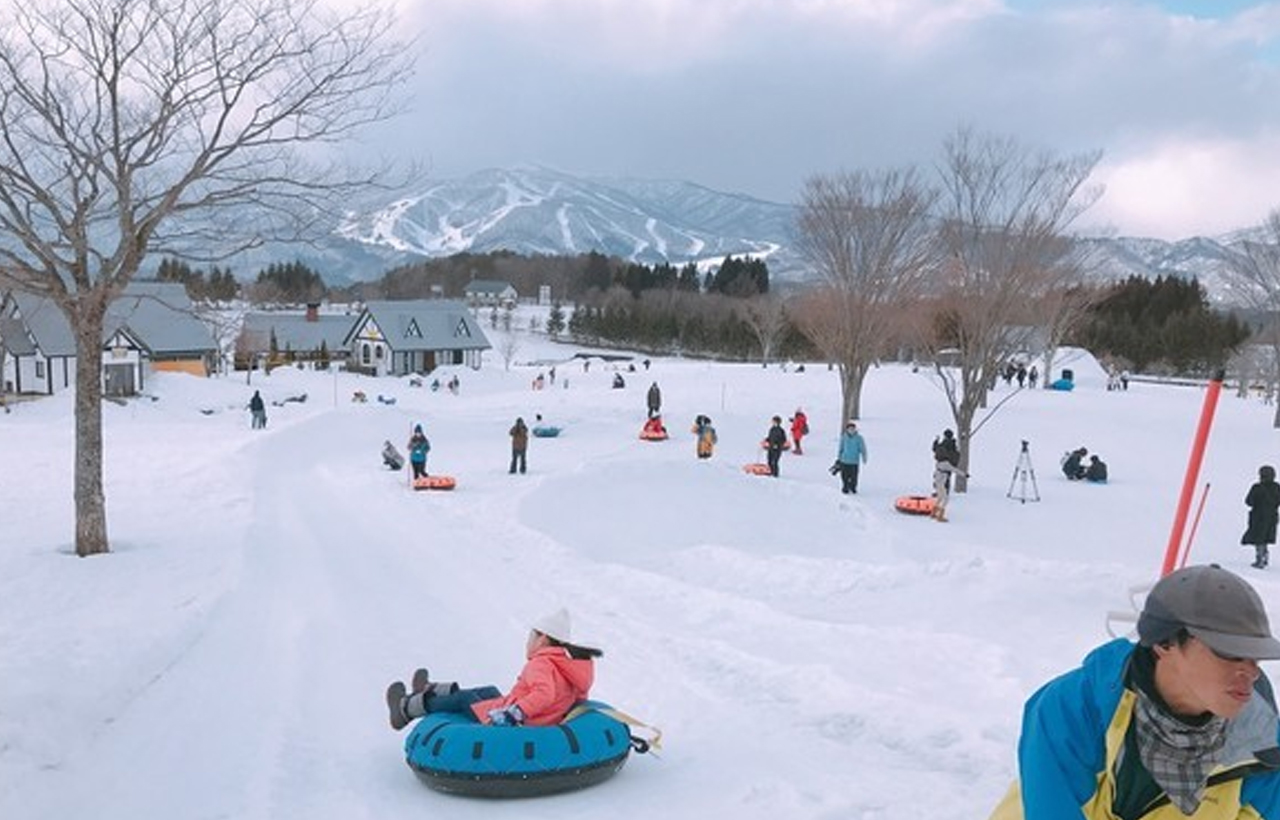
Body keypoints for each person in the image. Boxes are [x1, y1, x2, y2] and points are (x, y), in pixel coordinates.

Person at [988, 564, 1280, 820]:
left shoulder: (1263, 746)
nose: (1251, 672)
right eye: (1229, 653)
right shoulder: (1076, 708)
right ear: (1164, 644)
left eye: (1255, 656)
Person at [385, 609, 602, 731]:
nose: (527, 642)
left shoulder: (541, 663)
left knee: (466, 699)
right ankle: (430, 689)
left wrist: (515, 713)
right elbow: (576, 697)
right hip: (540, 717)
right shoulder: (567, 665)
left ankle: (406, 709)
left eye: (530, 637)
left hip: (519, 721)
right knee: (490, 690)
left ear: (543, 639)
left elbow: (544, 694)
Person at [1242, 465, 1280, 569]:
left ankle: (1260, 558)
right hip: (1272, 517)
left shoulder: (1257, 487)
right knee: (1265, 537)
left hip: (1258, 516)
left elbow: (1248, 501)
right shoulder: (1277, 487)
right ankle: (1265, 556)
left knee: (1259, 538)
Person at [835, 420, 868, 494]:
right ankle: (845, 486)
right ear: (847, 430)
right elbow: (841, 448)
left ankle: (853, 487)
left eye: (853, 429)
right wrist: (839, 458)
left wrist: (864, 457)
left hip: (854, 461)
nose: (851, 430)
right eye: (850, 429)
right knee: (844, 476)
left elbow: (863, 449)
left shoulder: (859, 438)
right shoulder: (844, 437)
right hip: (844, 461)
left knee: (854, 477)